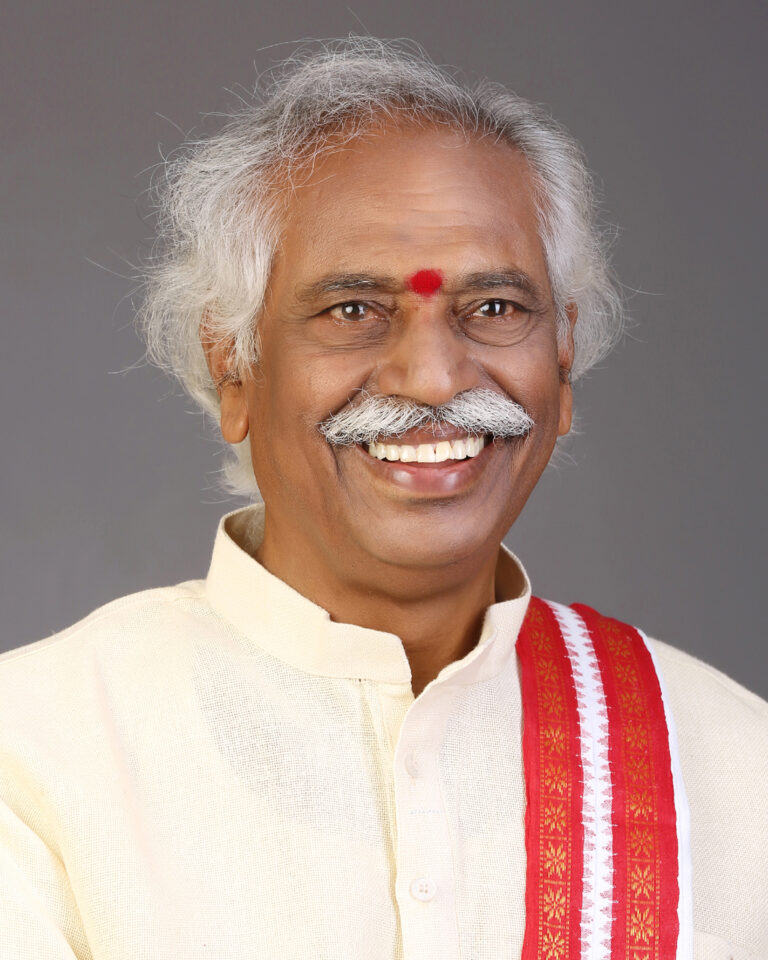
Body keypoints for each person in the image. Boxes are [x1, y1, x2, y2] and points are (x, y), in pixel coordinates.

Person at [0, 38, 765, 960]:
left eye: (494, 308)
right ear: (233, 364)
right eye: (353, 310)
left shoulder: (732, 764)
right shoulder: (35, 758)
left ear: (562, 362)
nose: (434, 378)